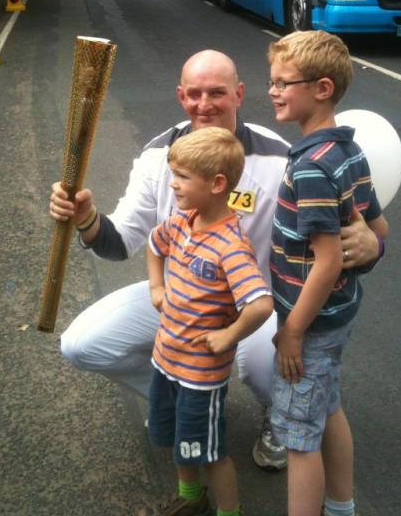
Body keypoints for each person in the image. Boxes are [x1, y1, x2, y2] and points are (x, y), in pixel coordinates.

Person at [49, 50, 383, 473]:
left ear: (239, 94)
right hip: (185, 297)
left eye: (217, 93)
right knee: (82, 344)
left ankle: (274, 416)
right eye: (193, 94)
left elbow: (344, 234)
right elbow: (122, 243)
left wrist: (373, 247)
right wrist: (86, 220)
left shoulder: (281, 158)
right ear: (180, 96)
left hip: (256, 306)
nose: (203, 104)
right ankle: (177, 397)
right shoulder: (159, 158)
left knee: (270, 367)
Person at [266, 31, 389, 516]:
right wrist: (373, 244)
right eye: (271, 81)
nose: (273, 91)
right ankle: (341, 507)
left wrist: (292, 331)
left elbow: (329, 259)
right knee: (327, 409)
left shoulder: (312, 166)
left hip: (310, 325)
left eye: (283, 83)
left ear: (321, 88)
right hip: (337, 316)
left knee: (299, 439)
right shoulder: (348, 151)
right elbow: (377, 226)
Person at [140, 127, 274, 516]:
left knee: (210, 451)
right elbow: (153, 243)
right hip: (166, 361)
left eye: (182, 176)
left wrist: (228, 336)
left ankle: (228, 512)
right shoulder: (183, 221)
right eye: (173, 174)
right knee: (181, 439)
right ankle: (190, 496)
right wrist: (156, 286)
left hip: (200, 374)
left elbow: (261, 304)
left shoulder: (231, 247)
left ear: (217, 184)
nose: (174, 184)